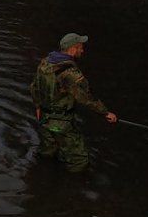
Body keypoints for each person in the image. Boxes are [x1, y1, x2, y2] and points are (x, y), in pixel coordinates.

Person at [30, 33, 117, 172]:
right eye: (80, 47)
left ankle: (41, 178)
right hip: (61, 122)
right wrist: (106, 112)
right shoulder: (70, 73)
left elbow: (34, 87)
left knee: (47, 152)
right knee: (80, 160)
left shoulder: (45, 63)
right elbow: (87, 98)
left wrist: (37, 106)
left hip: (44, 119)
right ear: (72, 49)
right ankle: (71, 189)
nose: (82, 51)